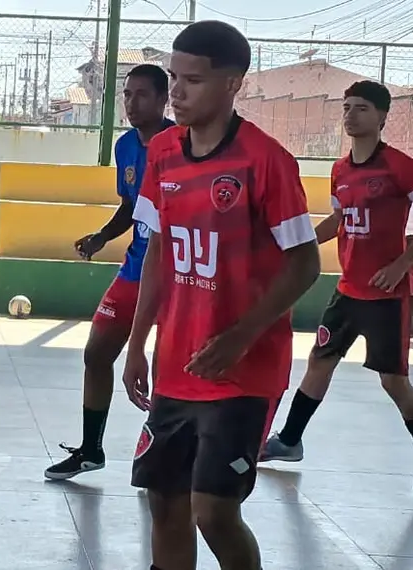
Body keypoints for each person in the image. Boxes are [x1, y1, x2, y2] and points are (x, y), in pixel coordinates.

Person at [122, 21, 321, 570]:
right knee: (164, 503)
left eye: (194, 81)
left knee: (211, 509)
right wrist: (138, 343)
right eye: (173, 78)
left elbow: (305, 263)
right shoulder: (163, 152)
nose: (178, 93)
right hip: (177, 367)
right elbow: (158, 252)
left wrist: (241, 336)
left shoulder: (266, 161)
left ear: (233, 84)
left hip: (243, 372)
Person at [261, 81, 413, 463]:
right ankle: (290, 440)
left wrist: (402, 264)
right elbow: (340, 218)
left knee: (393, 380)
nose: (350, 114)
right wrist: (299, 244)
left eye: (361, 108)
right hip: (348, 291)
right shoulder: (340, 169)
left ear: (381, 116)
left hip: (388, 296)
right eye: (346, 107)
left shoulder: (399, 167)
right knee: (320, 360)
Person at [44, 64, 174, 480]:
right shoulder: (125, 147)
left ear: (162, 100)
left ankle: (167, 453)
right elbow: (133, 207)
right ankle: (90, 450)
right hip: (135, 269)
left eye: (141, 95)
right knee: (97, 354)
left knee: (170, 368)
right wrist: (102, 236)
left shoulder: (182, 145)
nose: (132, 103)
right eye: (127, 95)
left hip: (177, 278)